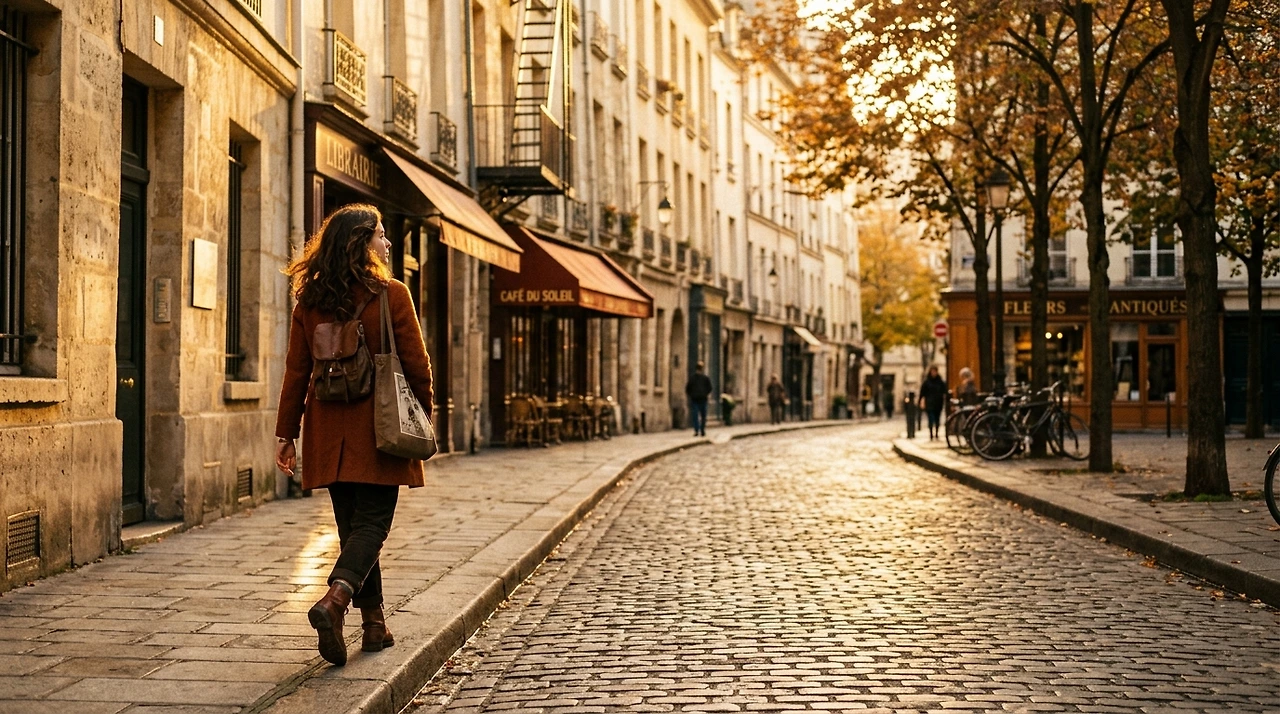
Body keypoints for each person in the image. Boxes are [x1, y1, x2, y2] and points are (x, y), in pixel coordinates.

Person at [275, 204, 434, 666]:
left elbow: (296, 372)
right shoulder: (391, 294)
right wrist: (423, 414)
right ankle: (335, 601)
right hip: (380, 426)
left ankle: (374, 625)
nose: (387, 243)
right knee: (372, 527)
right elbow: (417, 364)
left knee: (353, 532)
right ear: (361, 243)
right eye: (381, 235)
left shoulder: (309, 301)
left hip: (327, 429)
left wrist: (287, 433)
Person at [918, 365, 948, 440]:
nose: (933, 373)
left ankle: (936, 434)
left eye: (935, 371)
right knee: (931, 419)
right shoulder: (927, 382)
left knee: (937, 419)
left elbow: (945, 391)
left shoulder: (940, 381)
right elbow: (922, 392)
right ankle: (931, 434)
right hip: (930, 403)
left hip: (938, 403)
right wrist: (920, 401)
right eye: (932, 371)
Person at [685, 361, 714, 436]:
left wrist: (692, 395)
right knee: (701, 415)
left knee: (698, 415)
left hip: (698, 399)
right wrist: (704, 393)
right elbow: (709, 388)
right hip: (700, 399)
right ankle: (700, 429)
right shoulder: (704, 378)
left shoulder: (694, 378)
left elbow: (688, 389)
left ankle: (698, 429)